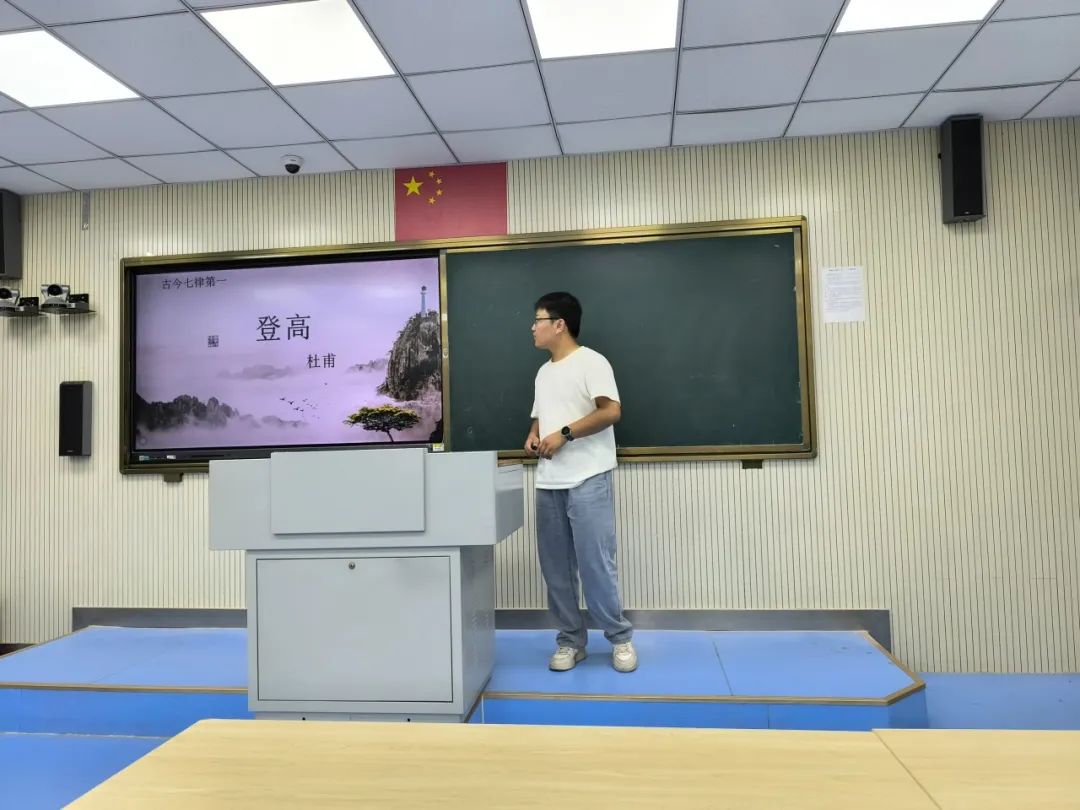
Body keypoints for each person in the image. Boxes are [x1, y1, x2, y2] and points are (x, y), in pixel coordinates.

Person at [524, 292, 636, 673]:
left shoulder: (592, 362)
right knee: (556, 568)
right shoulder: (543, 373)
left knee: (596, 564)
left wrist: (566, 434)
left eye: (538, 320)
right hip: (549, 482)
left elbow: (611, 411)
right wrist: (534, 434)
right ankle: (571, 641)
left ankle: (619, 638)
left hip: (588, 477)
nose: (533, 328)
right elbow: (541, 416)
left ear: (559, 324)